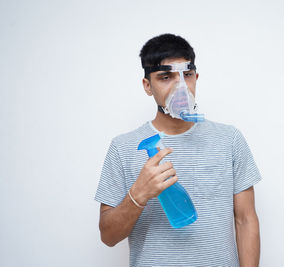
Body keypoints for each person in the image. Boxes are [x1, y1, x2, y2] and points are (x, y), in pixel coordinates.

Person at [95, 33, 262, 266]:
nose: (180, 87)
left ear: (196, 77)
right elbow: (108, 236)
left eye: (187, 75)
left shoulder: (229, 139)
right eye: (166, 77)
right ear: (147, 86)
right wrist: (139, 194)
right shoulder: (123, 147)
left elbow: (246, 220)